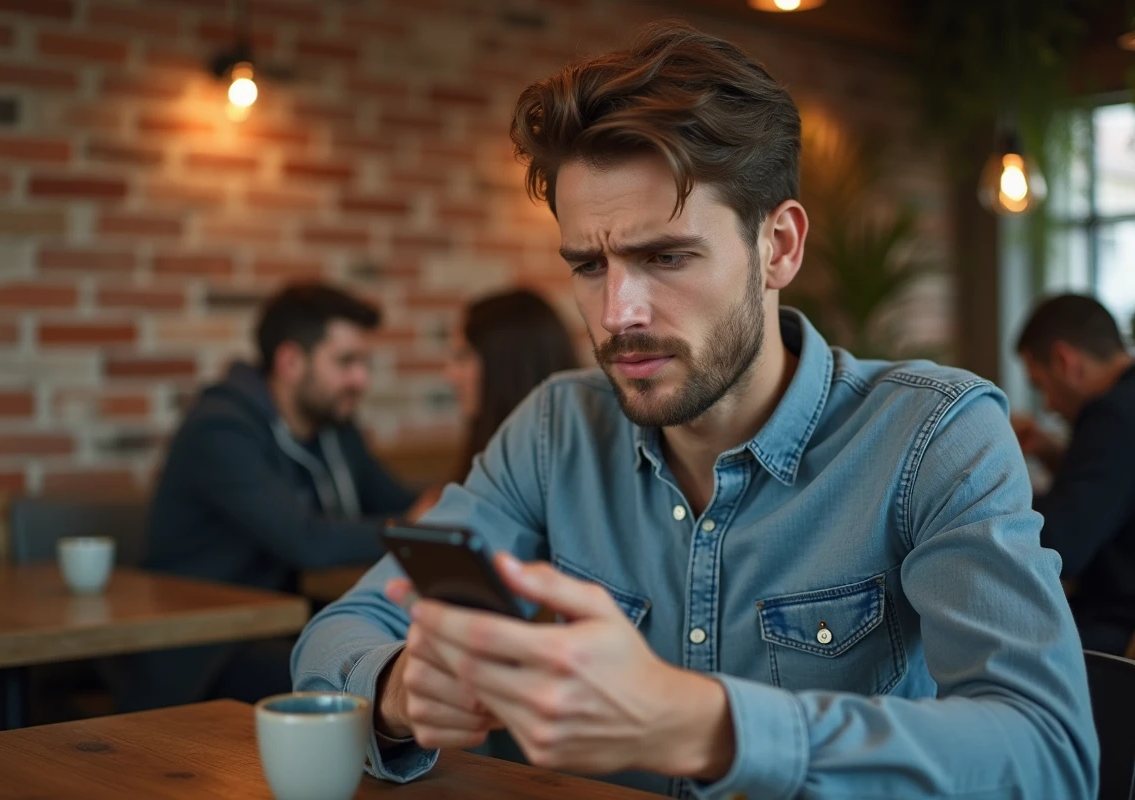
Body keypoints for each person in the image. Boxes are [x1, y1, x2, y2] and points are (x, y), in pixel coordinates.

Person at [292, 23, 1097, 799]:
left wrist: (707, 727)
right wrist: (401, 691)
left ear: (778, 246)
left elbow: (1049, 753)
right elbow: (341, 633)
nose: (617, 313)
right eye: (587, 264)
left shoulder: (933, 436)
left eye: (665, 256)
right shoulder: (554, 431)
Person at [126, 282, 423, 710]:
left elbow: (393, 500)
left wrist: (443, 508)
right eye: (346, 362)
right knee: (396, 680)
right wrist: (413, 528)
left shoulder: (333, 428)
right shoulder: (221, 429)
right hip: (204, 650)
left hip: (293, 624)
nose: (362, 379)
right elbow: (304, 539)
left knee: (421, 662)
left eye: (364, 362)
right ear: (290, 361)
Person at [1012, 294, 1135, 656]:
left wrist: (992, 485)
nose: (1047, 404)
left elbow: (1062, 545)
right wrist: (1054, 454)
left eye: (1040, 385)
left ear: (1065, 362)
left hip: (1118, 631)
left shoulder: (1112, 414)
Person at [443, 288, 579, 481]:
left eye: (462, 357)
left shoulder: (543, 471)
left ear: (506, 365)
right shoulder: (494, 456)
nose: (450, 374)